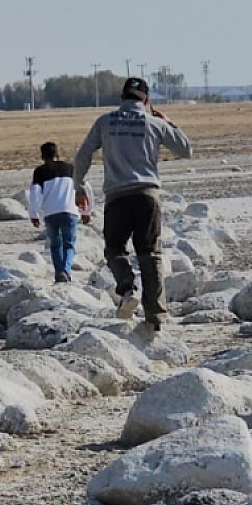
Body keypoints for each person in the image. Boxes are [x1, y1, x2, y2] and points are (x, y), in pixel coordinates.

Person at [72, 76, 191, 330]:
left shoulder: (105, 122)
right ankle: (156, 315)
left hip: (117, 196)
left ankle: (127, 289)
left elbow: (83, 154)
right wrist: (169, 123)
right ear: (146, 100)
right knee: (150, 254)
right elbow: (185, 150)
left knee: (115, 249)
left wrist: (79, 185)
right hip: (147, 195)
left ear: (121, 98)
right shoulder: (154, 123)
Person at [28, 142, 81, 283]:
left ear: (42, 156)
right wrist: (87, 210)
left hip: (50, 212)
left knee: (55, 244)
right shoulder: (71, 168)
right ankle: (66, 270)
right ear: (57, 154)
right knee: (69, 244)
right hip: (70, 210)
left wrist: (33, 214)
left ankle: (59, 273)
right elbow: (84, 187)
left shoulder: (40, 171)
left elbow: (35, 193)